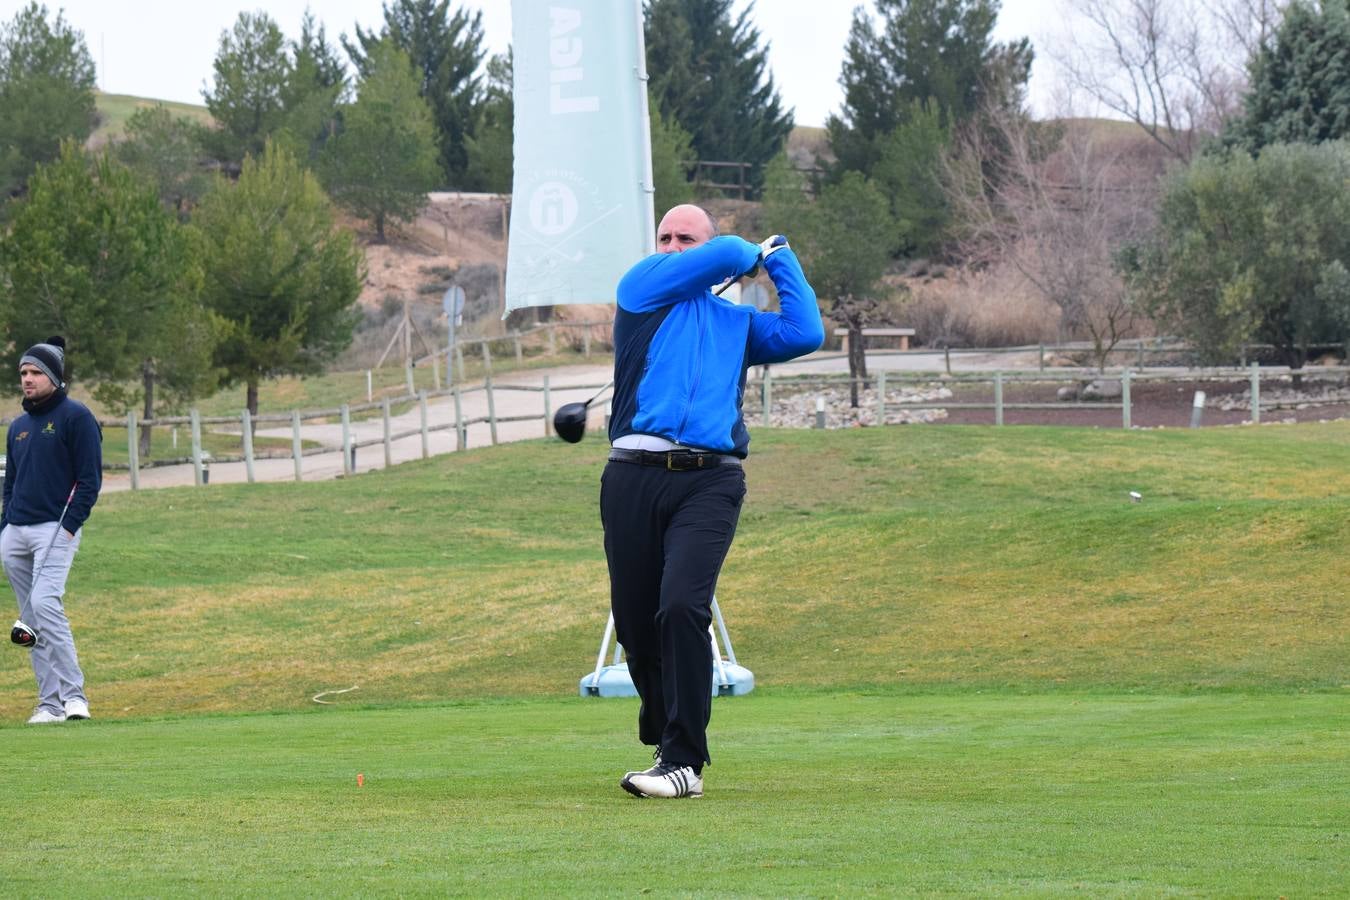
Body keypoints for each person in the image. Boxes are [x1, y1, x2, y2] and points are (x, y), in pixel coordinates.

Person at [603, 205, 823, 798]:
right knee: (635, 622)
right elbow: (727, 253)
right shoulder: (640, 288)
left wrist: (780, 260)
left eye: (686, 238)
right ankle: (663, 729)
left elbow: (806, 332)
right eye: (665, 237)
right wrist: (744, 252)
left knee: (680, 607)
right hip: (631, 477)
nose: (673, 246)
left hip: (710, 480)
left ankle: (683, 761)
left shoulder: (736, 324)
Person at [3, 336, 102, 724]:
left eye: (35, 373)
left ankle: (74, 697)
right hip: (16, 532)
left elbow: (89, 481)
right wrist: (4, 528)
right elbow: (10, 483)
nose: (27, 379)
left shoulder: (76, 417)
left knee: (45, 605)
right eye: (23, 373)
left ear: (54, 377)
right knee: (30, 617)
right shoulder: (19, 427)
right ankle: (49, 704)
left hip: (55, 528)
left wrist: (70, 527)